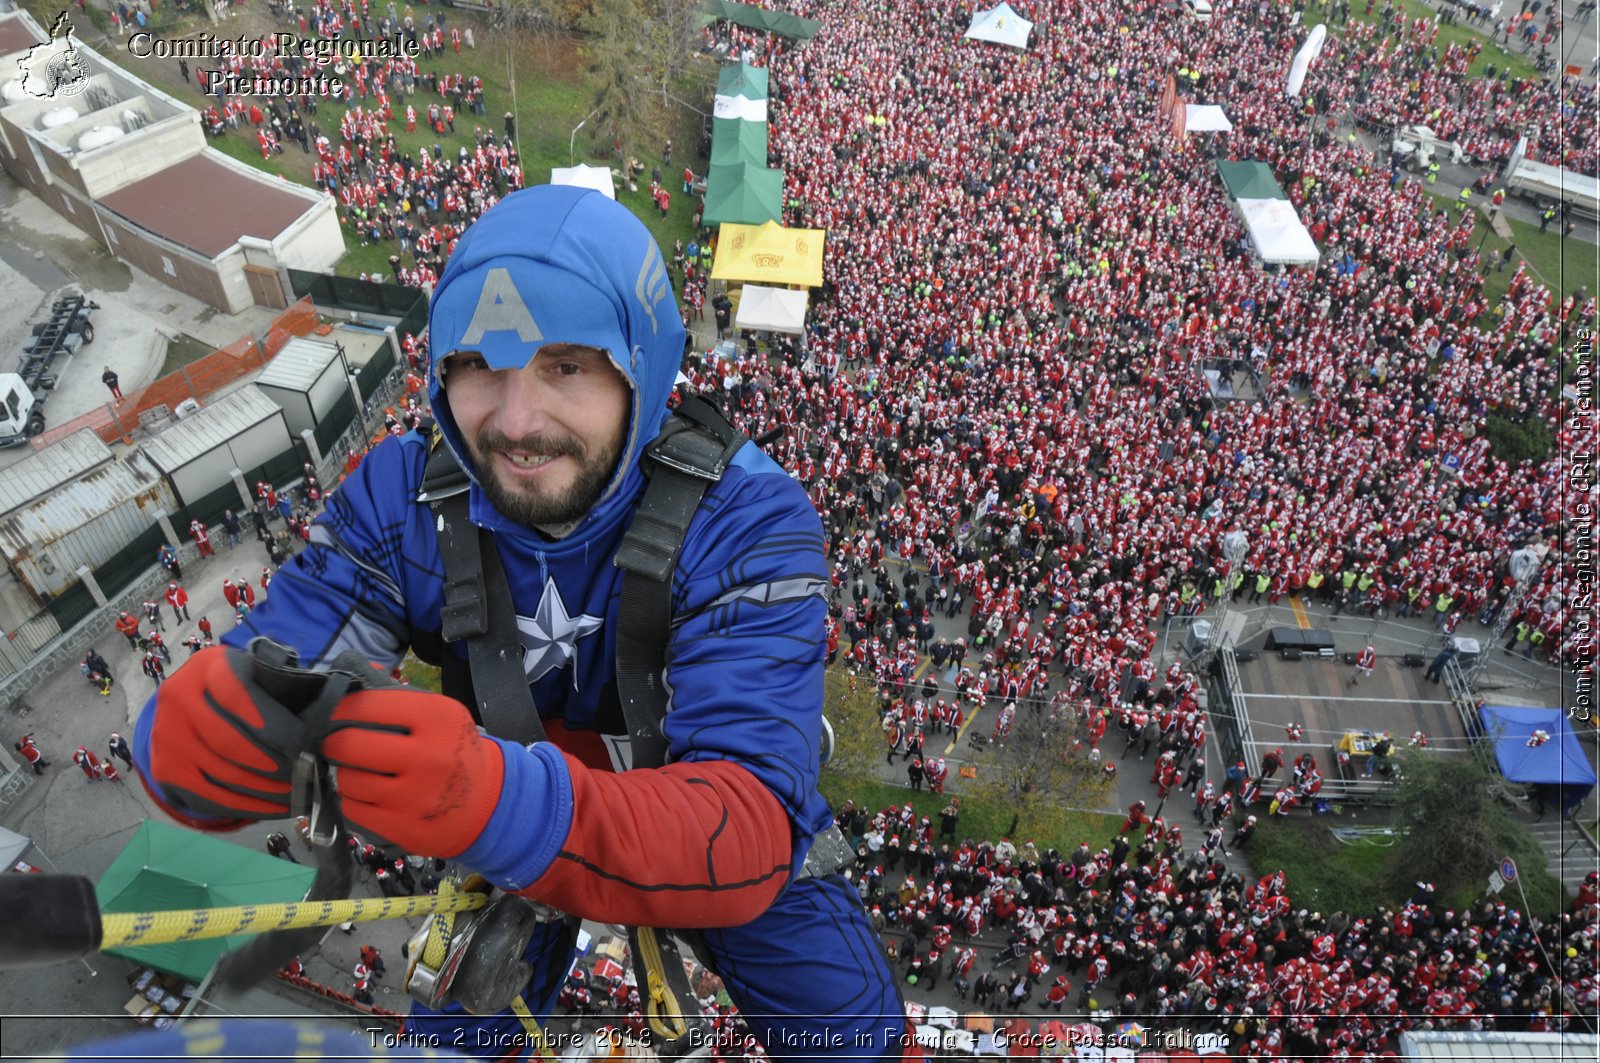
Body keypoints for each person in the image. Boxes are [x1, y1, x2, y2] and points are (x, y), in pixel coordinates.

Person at [132, 187, 901, 1057]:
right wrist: (207, 737)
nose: (516, 420)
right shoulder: (404, 499)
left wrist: (496, 801)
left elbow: (749, 826)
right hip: (504, 807)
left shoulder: (749, 519)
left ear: (642, 366)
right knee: (453, 1037)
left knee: (857, 1035)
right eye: (479, 366)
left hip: (686, 817)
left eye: (566, 365)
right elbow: (280, 658)